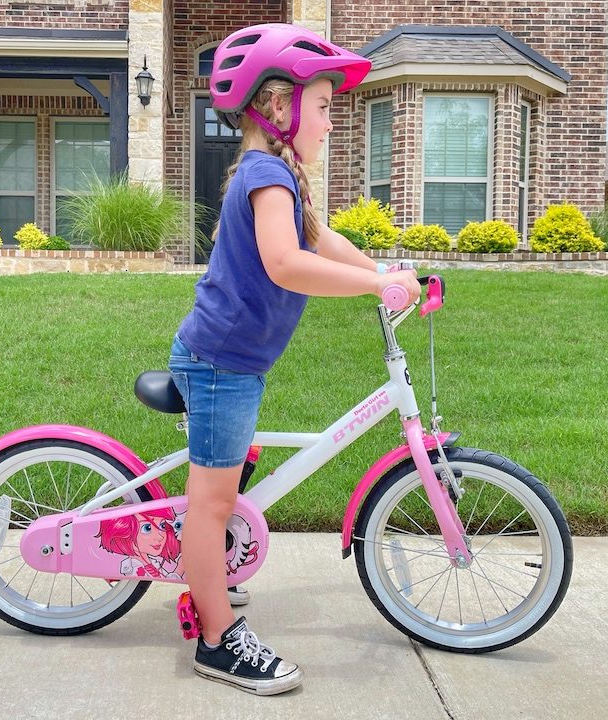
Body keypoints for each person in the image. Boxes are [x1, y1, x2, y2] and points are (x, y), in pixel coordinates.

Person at [168, 22, 420, 696]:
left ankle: (207, 578)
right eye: (328, 106)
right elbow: (287, 263)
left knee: (221, 490)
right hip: (220, 362)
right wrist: (375, 285)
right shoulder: (265, 173)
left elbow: (321, 238)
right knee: (211, 505)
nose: (334, 122)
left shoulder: (280, 176)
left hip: (233, 359)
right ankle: (217, 640)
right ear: (280, 106)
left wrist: (384, 270)